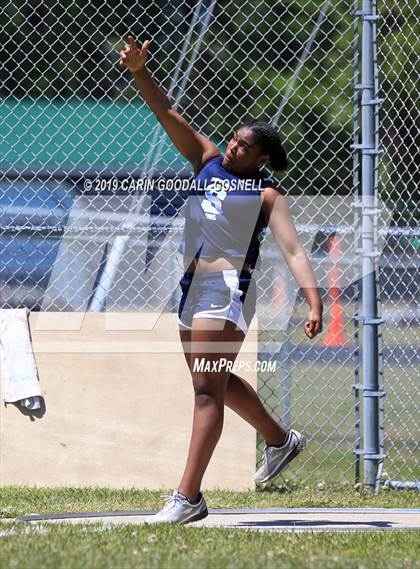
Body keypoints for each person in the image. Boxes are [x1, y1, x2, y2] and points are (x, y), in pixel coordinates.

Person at [119, 36, 323, 525]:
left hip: (229, 290)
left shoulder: (267, 195)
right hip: (190, 288)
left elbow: (293, 249)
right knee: (212, 380)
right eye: (234, 138)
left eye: (244, 146)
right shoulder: (207, 161)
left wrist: (313, 302)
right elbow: (168, 113)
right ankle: (279, 440)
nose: (233, 146)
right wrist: (140, 71)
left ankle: (187, 498)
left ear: (261, 159)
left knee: (206, 391)